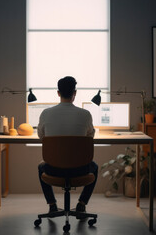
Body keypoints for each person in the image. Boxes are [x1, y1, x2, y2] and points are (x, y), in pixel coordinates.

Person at [37, 76, 98, 216]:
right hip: (79, 170)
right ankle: (82, 204)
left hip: (54, 170)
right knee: (94, 167)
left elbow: (42, 137)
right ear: (74, 93)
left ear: (58, 93)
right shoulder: (85, 114)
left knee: (41, 167)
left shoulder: (46, 113)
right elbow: (90, 137)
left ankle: (52, 205)